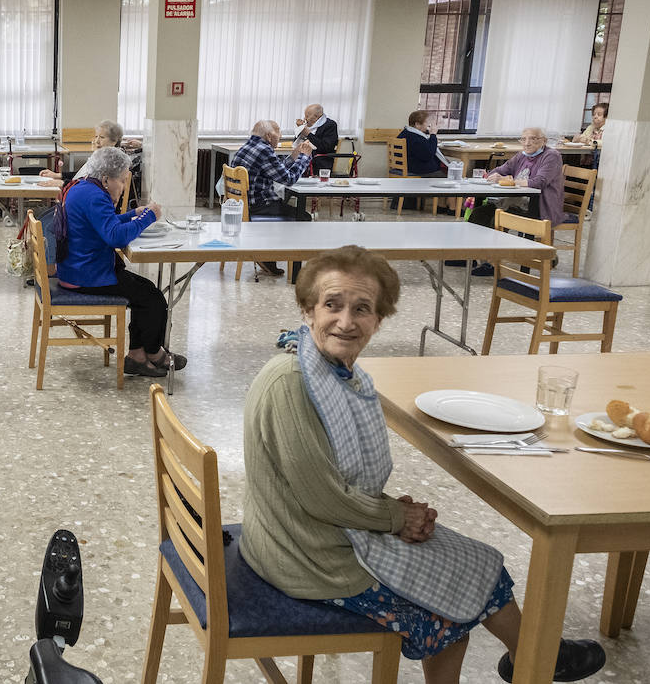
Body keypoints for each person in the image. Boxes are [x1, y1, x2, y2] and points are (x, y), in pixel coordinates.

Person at [242, 245, 606, 684]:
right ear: (308, 309)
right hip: (303, 555)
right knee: (449, 620)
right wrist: (396, 516)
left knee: (482, 562)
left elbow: (333, 477)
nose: (346, 321)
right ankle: (539, 655)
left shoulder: (333, 370)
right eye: (332, 305)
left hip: (313, 532)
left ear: (379, 319)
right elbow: (322, 497)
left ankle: (536, 654)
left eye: (362, 309)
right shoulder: (290, 384)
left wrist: (394, 513)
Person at [54, 146, 183, 378]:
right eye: (121, 181)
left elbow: (105, 222)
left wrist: (134, 214)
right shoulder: (95, 196)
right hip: (87, 275)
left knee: (145, 292)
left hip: (76, 268)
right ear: (106, 179)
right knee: (152, 298)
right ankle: (153, 353)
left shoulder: (83, 187)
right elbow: (116, 236)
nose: (123, 187)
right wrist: (149, 216)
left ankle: (137, 356)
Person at [463, 127, 565, 276]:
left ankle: (491, 263)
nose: (527, 143)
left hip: (540, 204)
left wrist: (510, 181)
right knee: (479, 213)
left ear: (544, 141)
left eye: (533, 139)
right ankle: (471, 255)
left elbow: (539, 182)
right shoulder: (521, 156)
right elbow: (501, 169)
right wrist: (494, 175)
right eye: (523, 139)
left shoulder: (552, 156)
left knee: (496, 217)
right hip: (516, 201)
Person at [232, 120, 315, 276]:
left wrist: (293, 157)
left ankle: (267, 257)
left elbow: (274, 170)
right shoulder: (265, 150)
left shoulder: (249, 146)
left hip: (243, 206)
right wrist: (304, 158)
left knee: (286, 207)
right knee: (303, 217)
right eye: (279, 133)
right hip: (259, 207)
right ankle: (292, 269)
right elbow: (289, 179)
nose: (281, 136)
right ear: (270, 136)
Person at [294, 104, 338, 173]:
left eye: (307, 116)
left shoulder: (330, 125)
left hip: (320, 162)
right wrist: (300, 128)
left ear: (316, 117)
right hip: (303, 159)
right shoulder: (308, 125)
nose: (305, 118)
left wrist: (308, 134)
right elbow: (295, 143)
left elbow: (325, 147)